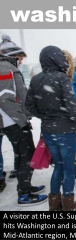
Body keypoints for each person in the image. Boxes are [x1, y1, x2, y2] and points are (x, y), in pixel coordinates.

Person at [25, 45, 76, 211]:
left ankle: (54, 203)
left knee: (58, 166)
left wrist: (45, 115)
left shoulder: (36, 79)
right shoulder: (62, 78)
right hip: (65, 131)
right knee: (69, 168)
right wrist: (74, 119)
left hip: (48, 131)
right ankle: (68, 204)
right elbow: (72, 107)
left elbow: (28, 105)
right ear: (57, 59)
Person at [0, 34, 47, 205]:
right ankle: (24, 194)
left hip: (12, 121)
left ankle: (25, 187)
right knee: (26, 155)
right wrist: (21, 119)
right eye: (19, 58)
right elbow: (5, 98)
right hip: (13, 122)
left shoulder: (8, 68)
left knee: (22, 155)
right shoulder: (5, 68)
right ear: (11, 55)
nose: (20, 62)